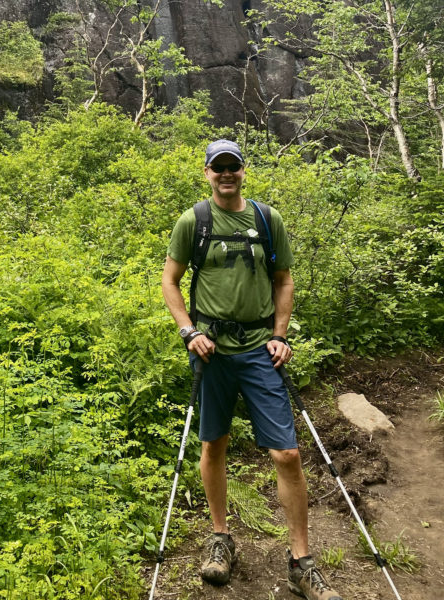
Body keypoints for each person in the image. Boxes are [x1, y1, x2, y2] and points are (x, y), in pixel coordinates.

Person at [161, 139, 343, 600]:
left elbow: (284, 279)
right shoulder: (194, 221)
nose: (226, 174)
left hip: (261, 350)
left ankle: (301, 563)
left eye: (233, 167)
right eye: (218, 167)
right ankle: (221, 538)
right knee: (213, 442)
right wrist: (188, 331)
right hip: (210, 351)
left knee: (288, 454)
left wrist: (279, 336)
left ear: (243, 171)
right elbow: (170, 280)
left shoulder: (266, 219)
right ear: (206, 172)